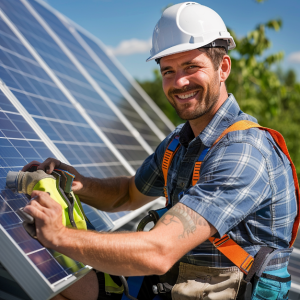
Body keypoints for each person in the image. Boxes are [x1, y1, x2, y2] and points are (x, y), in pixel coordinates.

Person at [22, 2, 297, 300]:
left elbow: (159, 251)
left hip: (218, 290)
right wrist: (78, 184)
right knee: (55, 282)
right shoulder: (179, 142)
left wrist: (59, 235)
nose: (179, 82)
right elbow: (128, 193)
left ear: (223, 68)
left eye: (192, 66)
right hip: (176, 286)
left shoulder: (243, 152)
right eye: (168, 70)